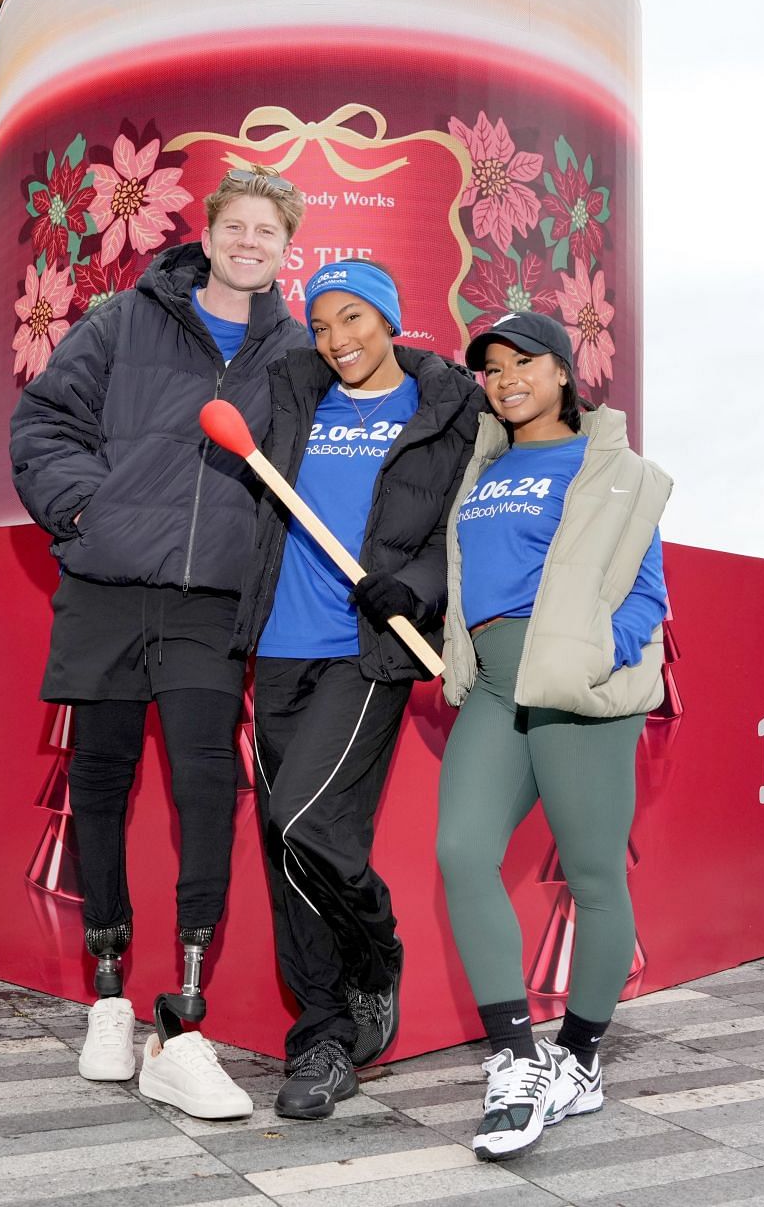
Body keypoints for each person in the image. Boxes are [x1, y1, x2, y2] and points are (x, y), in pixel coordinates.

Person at [9, 166, 309, 1121]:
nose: (249, 241)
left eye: (268, 231)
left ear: (284, 248)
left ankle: (183, 1022)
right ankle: (107, 997)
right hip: (104, 585)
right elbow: (43, 420)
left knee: (204, 789)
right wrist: (86, 508)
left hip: (209, 606)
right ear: (209, 232)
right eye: (237, 225)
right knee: (97, 782)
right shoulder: (123, 319)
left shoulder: (295, 355)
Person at [232, 259, 483, 1120]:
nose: (337, 339)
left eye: (354, 319)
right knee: (287, 850)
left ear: (391, 318)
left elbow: (465, 523)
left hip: (367, 650)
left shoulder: (448, 409)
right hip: (277, 647)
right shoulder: (293, 395)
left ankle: (377, 956)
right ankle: (326, 1038)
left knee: (301, 817)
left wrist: (415, 583)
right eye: (323, 323)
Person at [433, 310, 671, 1161]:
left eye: (521, 363)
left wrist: (590, 654)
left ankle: (577, 1056)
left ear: (564, 371)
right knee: (462, 850)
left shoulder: (614, 468)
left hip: (575, 687)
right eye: (490, 370)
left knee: (594, 874)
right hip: (495, 684)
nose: (503, 379)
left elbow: (647, 592)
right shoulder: (483, 468)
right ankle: (514, 1057)